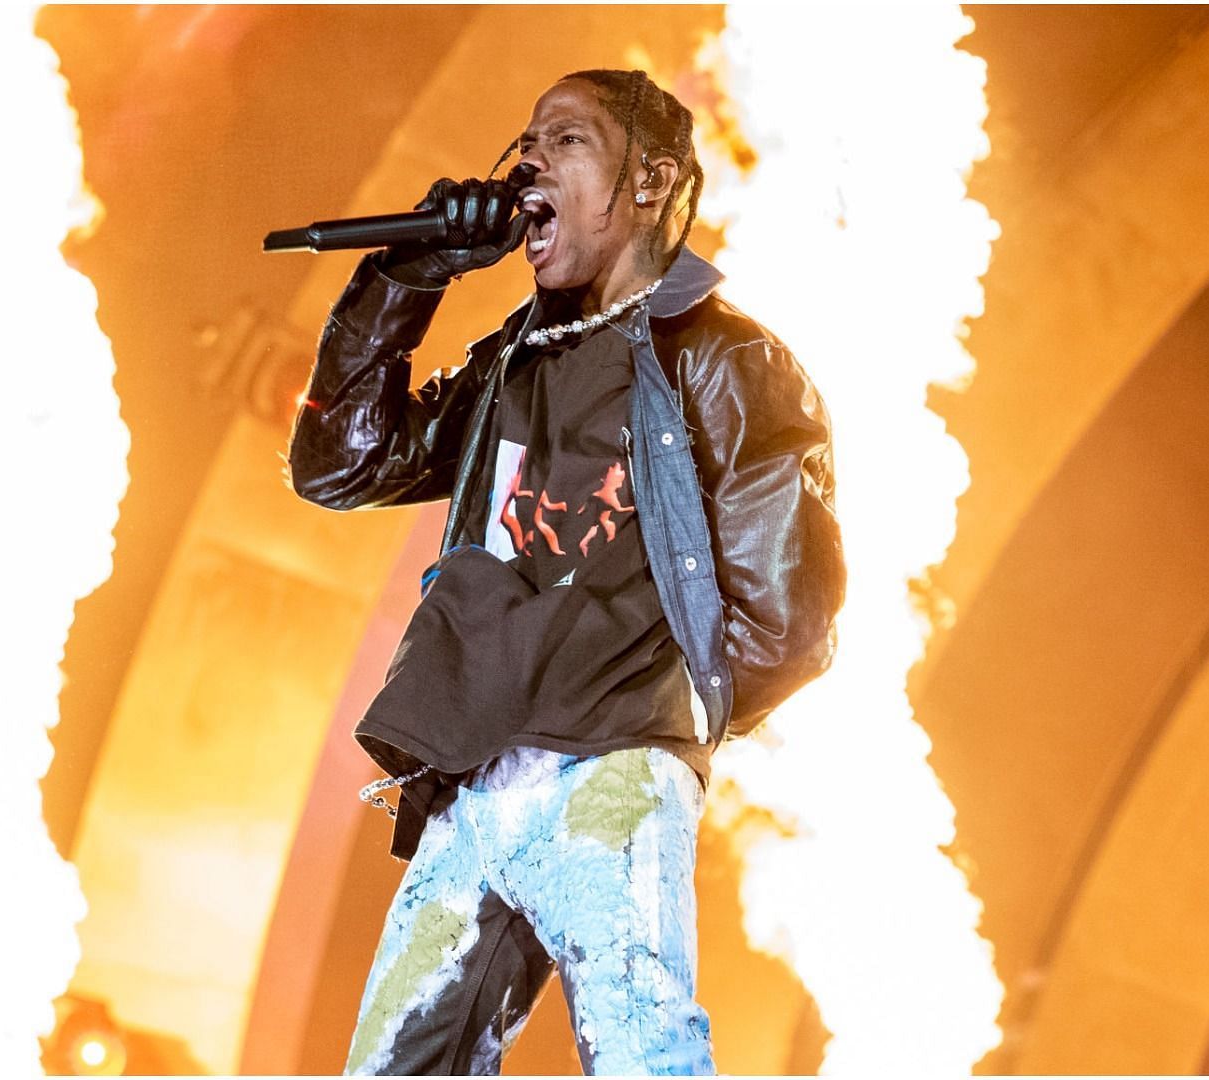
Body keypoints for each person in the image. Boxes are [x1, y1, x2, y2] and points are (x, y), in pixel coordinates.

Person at [286, 68, 846, 1076]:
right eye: (526, 140)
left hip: (611, 773)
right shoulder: (513, 362)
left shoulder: (722, 359)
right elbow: (343, 464)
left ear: (651, 182)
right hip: (476, 779)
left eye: (566, 139)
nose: (528, 158)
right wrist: (406, 276)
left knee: (641, 1055)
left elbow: (790, 619)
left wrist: (650, 721)